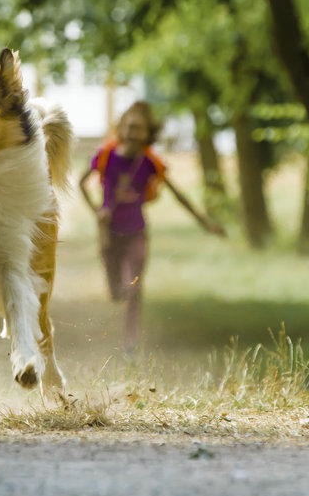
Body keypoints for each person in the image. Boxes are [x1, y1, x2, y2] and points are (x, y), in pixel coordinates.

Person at [79, 101, 224, 351]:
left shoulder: (150, 162)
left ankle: (130, 341)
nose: (134, 132)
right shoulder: (105, 156)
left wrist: (205, 223)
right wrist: (96, 211)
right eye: (130, 127)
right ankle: (123, 309)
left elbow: (178, 195)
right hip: (109, 235)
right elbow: (82, 184)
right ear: (121, 129)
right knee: (117, 293)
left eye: (139, 129)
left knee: (134, 287)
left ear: (148, 133)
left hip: (137, 232)